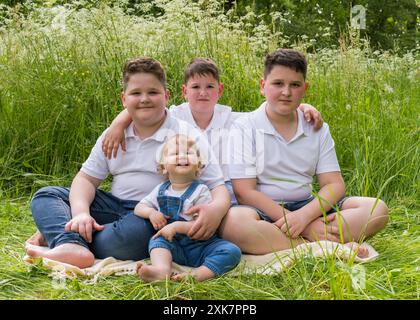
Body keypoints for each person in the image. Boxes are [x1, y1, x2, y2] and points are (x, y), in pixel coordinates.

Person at [26, 57, 230, 268]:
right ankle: (71, 243)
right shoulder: (114, 134)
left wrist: (216, 210)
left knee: (129, 238)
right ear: (124, 99)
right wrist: (81, 214)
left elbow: (218, 186)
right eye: (135, 93)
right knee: (47, 195)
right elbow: (86, 178)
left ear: (166, 96)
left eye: (153, 92)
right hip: (113, 205)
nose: (144, 99)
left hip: (152, 215)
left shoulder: (186, 135)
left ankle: (64, 234)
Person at [219, 49, 389, 257]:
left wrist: (305, 217)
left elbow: (334, 184)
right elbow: (244, 191)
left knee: (376, 210)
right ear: (263, 86)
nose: (286, 92)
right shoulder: (245, 126)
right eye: (278, 83)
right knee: (233, 224)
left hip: (307, 206)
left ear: (305, 88)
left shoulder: (316, 128)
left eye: (295, 85)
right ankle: (325, 243)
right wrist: (304, 226)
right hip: (264, 211)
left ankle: (305, 243)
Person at [101, 58, 324, 205]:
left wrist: (303, 106)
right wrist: (119, 123)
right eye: (196, 88)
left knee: (231, 200)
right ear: (184, 91)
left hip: (223, 187)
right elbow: (146, 109)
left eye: (210, 87)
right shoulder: (176, 115)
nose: (203, 93)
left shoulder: (233, 118)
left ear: (220, 90)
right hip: (184, 182)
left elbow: (271, 111)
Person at [135, 134, 241, 282]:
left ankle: (198, 275)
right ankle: (161, 270)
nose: (182, 156)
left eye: (188, 153)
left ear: (198, 165)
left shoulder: (201, 191)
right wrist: (152, 213)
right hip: (173, 244)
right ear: (164, 166)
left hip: (201, 246)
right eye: (176, 153)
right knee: (157, 241)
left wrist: (176, 226)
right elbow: (139, 207)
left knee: (232, 251)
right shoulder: (161, 190)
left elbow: (201, 224)